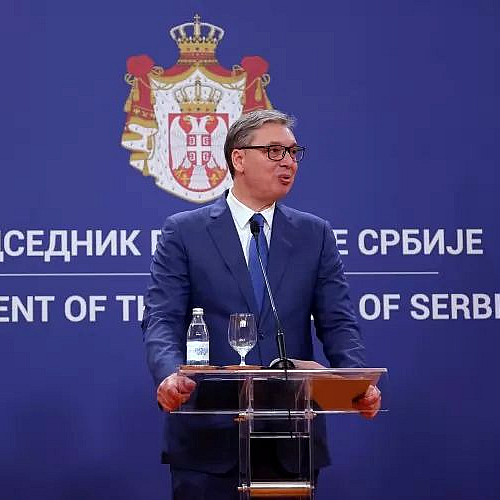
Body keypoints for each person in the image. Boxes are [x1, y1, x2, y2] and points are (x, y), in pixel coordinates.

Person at [142, 109, 381, 499]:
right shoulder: (184, 232)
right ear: (238, 158)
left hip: (291, 438)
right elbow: (162, 319)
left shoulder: (314, 235)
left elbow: (338, 323)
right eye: (274, 151)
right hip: (208, 438)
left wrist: (356, 381)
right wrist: (169, 374)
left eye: (293, 152)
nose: (288, 162)